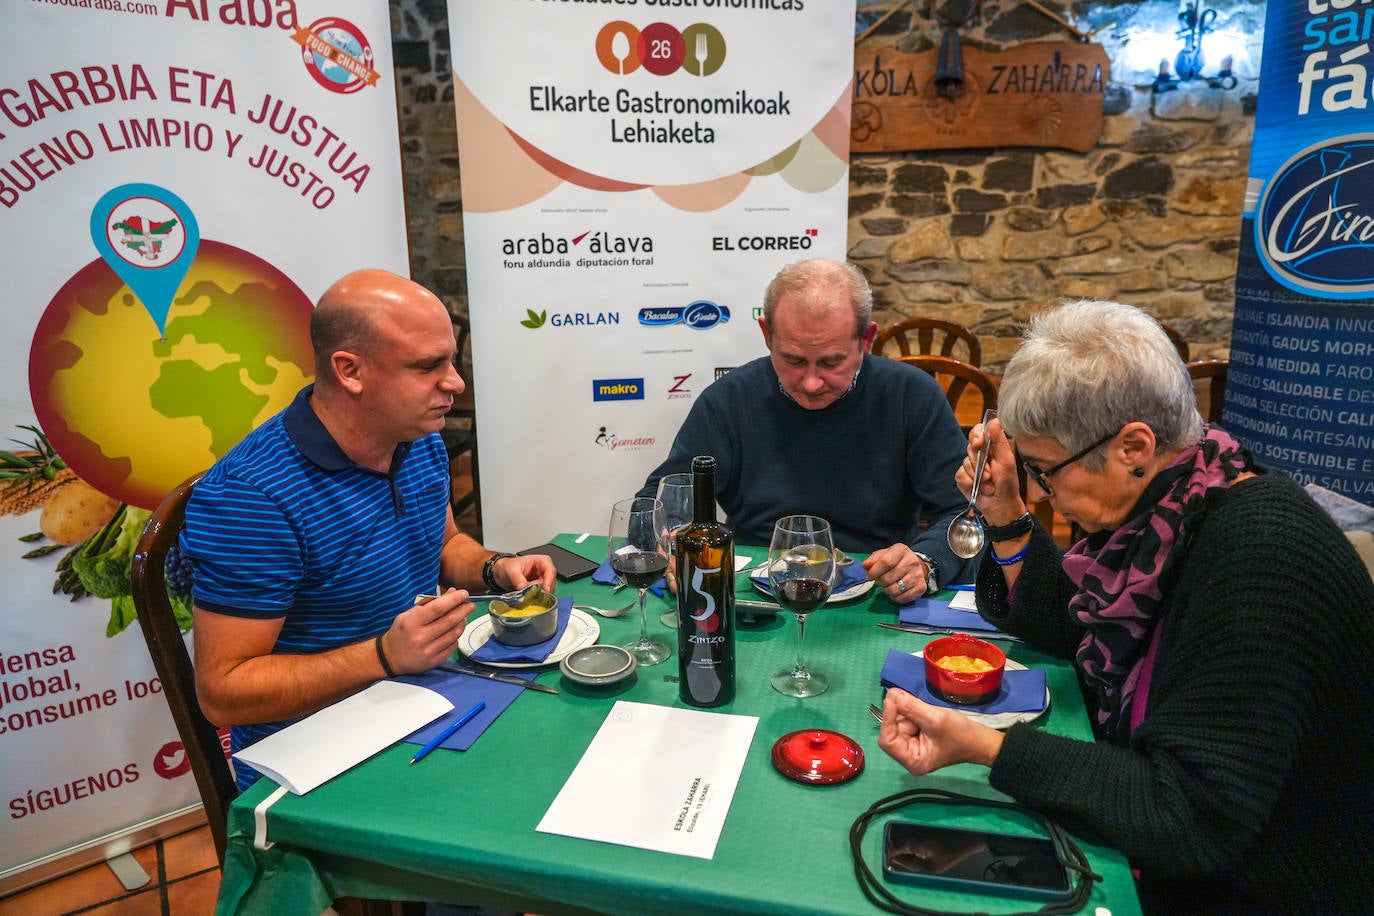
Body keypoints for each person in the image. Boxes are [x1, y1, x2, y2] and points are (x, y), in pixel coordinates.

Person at [877, 299, 1374, 913]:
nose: (1042, 491)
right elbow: (1072, 625)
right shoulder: (1181, 504)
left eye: (1044, 470)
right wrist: (1006, 514)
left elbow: (1190, 815)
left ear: (1133, 446)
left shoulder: (1260, 557)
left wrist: (987, 747)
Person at [181, 269, 556, 790]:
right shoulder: (251, 495)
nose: (455, 383)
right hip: (315, 756)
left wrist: (495, 567)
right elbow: (222, 692)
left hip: (419, 704)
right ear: (349, 371)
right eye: (428, 366)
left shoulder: (415, 436)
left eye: (451, 360)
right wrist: (384, 655)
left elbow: (444, 542)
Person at [639, 258, 975, 599]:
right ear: (767, 335)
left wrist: (923, 562)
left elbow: (963, 512)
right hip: (753, 590)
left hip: (877, 589)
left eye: (832, 362)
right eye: (794, 360)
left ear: (867, 339)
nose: (812, 383)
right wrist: (674, 543)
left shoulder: (911, 395)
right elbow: (656, 504)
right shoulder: (728, 400)